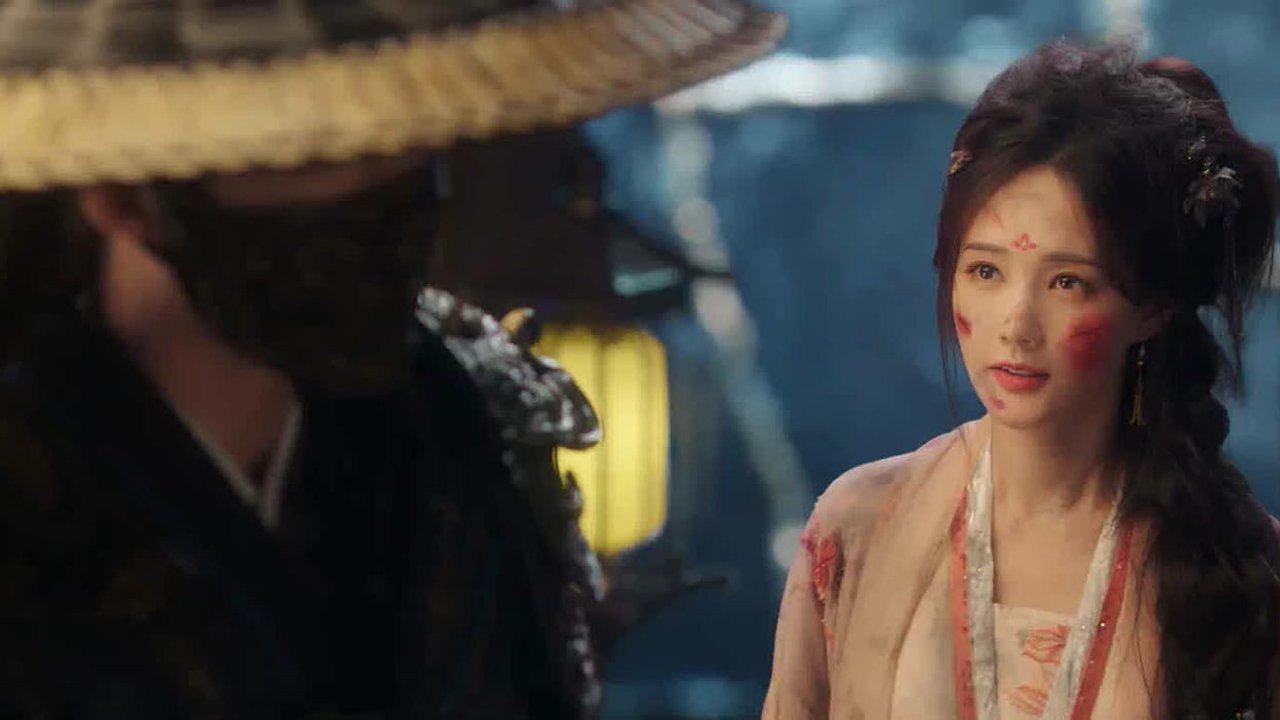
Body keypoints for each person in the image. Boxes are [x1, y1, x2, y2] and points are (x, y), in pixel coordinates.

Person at [0, 0, 783, 716]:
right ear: (126, 198)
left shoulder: (464, 427)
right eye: (311, 148)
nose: (389, 200)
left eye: (401, 145)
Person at [762, 41, 1280, 719]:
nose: (1017, 325)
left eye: (1067, 282)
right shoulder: (856, 526)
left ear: (1152, 307)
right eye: (985, 271)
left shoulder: (1236, 571)